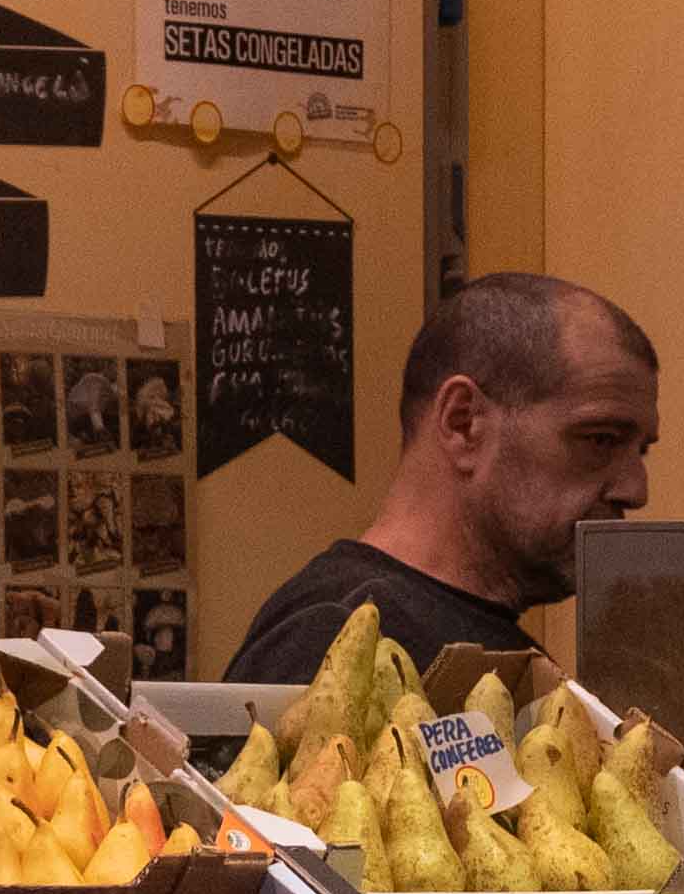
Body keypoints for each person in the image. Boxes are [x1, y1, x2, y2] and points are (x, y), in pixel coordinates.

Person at [221, 275, 658, 684]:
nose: (635, 490)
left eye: (640, 450)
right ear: (463, 422)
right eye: (601, 439)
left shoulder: (491, 653)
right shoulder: (337, 642)